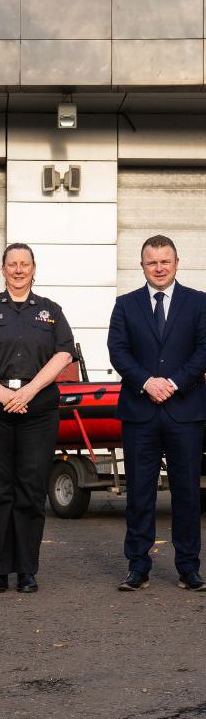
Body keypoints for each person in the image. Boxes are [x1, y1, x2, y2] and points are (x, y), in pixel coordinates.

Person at [0, 243, 76, 594]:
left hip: (37, 410)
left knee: (31, 490)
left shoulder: (51, 311)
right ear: (2, 269)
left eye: (25, 264)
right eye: (12, 264)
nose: (18, 270)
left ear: (34, 269)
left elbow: (63, 353)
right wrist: (3, 393)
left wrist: (29, 391)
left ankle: (27, 570)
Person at [108, 234, 206, 592]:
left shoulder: (199, 303)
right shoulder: (125, 305)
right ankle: (138, 567)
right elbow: (118, 351)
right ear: (143, 266)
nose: (159, 267)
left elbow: (203, 350)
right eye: (152, 262)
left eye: (165, 261)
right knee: (139, 492)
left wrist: (174, 383)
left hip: (186, 411)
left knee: (187, 493)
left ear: (177, 263)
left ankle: (188, 568)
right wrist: (147, 382)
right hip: (140, 411)